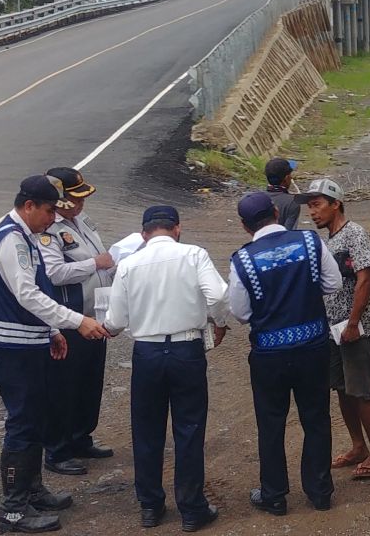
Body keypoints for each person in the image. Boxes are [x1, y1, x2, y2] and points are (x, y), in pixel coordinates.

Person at [0, 175, 110, 533]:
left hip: (27, 341)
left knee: (35, 419)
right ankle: (13, 510)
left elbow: (34, 291)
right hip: (11, 348)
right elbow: (28, 295)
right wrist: (74, 321)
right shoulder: (12, 240)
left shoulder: (27, 236)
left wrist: (51, 330)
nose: (54, 218)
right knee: (22, 425)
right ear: (29, 206)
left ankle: (32, 490)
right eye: (50, 210)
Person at [103, 206, 229, 532]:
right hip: (187, 349)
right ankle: (191, 509)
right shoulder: (194, 254)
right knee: (189, 429)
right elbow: (217, 295)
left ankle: (150, 507)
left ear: (144, 234)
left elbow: (115, 321)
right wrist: (220, 321)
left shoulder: (128, 265)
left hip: (147, 351)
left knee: (146, 431)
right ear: (177, 228)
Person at [226, 191, 343, 516]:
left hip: (269, 355)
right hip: (313, 346)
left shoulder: (243, 259)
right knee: (317, 418)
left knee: (271, 424)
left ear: (244, 225)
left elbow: (240, 312)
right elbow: (333, 284)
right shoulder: (309, 242)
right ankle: (320, 492)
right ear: (276, 212)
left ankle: (274, 495)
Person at [299, 178, 370, 480]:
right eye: (310, 207)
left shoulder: (355, 235)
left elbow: (365, 280)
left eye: (317, 205)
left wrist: (353, 323)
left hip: (356, 329)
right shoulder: (327, 241)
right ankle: (357, 446)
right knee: (341, 389)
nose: (312, 212)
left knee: (360, 393)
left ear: (336, 203)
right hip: (332, 330)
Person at [40, 167, 117, 476]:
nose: (81, 204)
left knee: (89, 380)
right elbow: (53, 273)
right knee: (64, 386)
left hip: (95, 314)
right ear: (60, 199)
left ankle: (81, 437)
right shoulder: (49, 230)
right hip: (70, 319)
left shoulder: (81, 221)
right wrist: (93, 264)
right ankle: (57, 450)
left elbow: (103, 256)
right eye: (75, 198)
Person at [263, 157, 301, 230]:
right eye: (290, 175)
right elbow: (289, 231)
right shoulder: (292, 202)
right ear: (286, 178)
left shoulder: (258, 198)